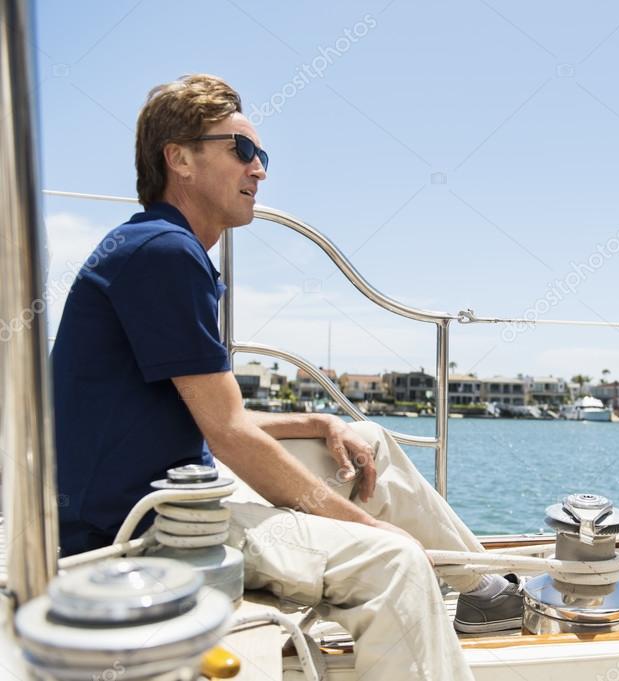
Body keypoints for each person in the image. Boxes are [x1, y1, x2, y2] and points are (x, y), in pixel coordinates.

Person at [51, 74, 520, 681]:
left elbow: (211, 415)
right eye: (241, 150)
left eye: (261, 155)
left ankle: (484, 586)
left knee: (366, 439)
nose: (260, 170)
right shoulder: (163, 255)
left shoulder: (158, 248)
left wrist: (321, 420)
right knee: (394, 562)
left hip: (171, 494)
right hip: (139, 529)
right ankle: (432, 576)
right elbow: (228, 435)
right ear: (180, 159)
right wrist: (370, 530)